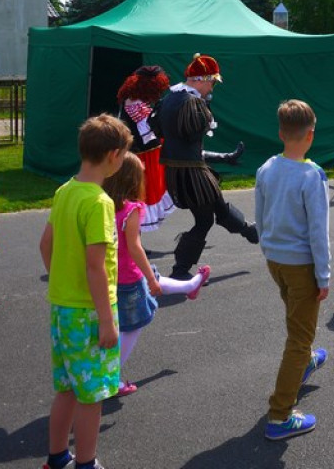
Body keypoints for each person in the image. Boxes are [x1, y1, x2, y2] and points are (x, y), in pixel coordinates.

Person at [38, 114, 132, 469]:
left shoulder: (65, 190)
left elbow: (45, 244)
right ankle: (86, 463)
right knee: (91, 396)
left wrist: (61, 279)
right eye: (123, 155)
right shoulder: (99, 202)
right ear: (112, 155)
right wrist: (107, 320)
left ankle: (57, 457)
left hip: (62, 308)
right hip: (90, 312)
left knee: (66, 389)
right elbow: (96, 265)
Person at [103, 152, 212, 397]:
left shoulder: (103, 204)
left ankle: (190, 285)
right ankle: (111, 377)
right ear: (133, 180)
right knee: (133, 326)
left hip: (111, 272)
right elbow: (134, 246)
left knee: (152, 278)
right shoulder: (132, 209)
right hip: (129, 276)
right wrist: (150, 279)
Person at [255, 99, 331, 441]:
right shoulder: (312, 175)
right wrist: (324, 275)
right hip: (301, 263)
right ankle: (280, 415)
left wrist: (269, 250)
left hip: (276, 259)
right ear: (310, 135)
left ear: (281, 132)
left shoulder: (267, 168)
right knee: (299, 337)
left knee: (296, 316)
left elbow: (260, 216)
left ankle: (306, 359)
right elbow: (319, 231)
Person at [155, 54, 256, 281]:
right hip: (190, 174)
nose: (212, 87)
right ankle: (180, 269)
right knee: (204, 220)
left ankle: (249, 230)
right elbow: (192, 139)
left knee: (218, 207)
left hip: (181, 170)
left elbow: (185, 145)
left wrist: (224, 156)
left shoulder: (170, 98)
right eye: (211, 82)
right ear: (200, 79)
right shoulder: (191, 103)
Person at [116, 65, 175, 231]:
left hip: (142, 154)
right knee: (141, 195)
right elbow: (149, 136)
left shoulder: (132, 99)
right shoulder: (135, 104)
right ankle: (134, 240)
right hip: (144, 157)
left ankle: (134, 239)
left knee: (139, 195)